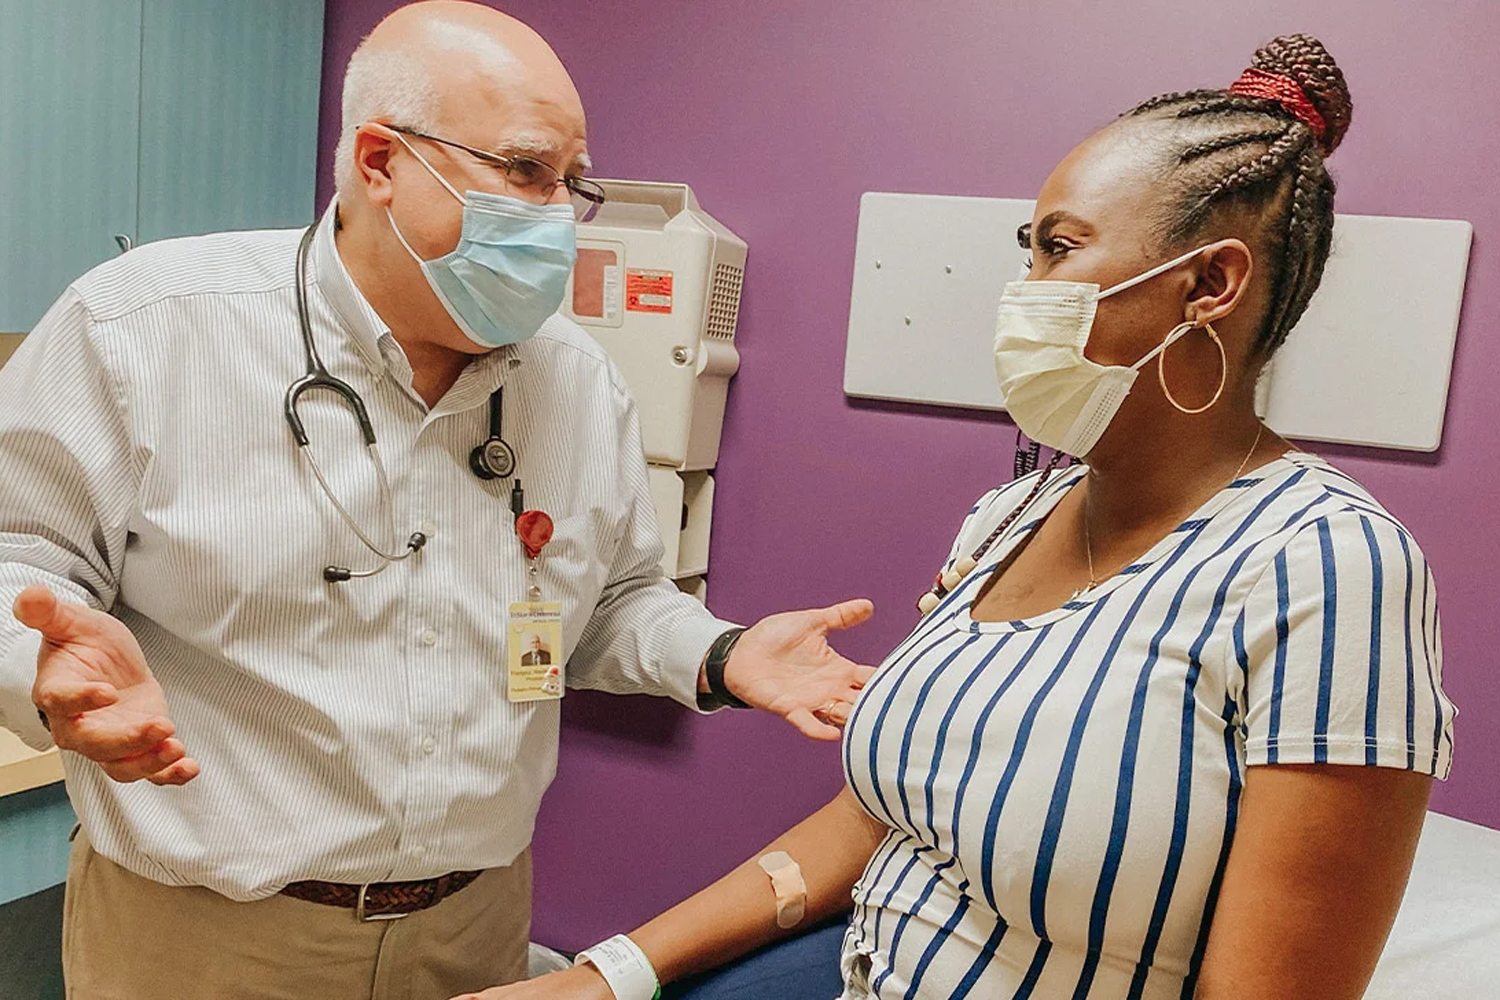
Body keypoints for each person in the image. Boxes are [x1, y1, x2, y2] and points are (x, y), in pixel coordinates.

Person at [470, 34, 1456, 1000]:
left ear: (1208, 285)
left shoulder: (1331, 570)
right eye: (1025, 252)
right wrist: (607, 975)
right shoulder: (1011, 516)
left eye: (1059, 249)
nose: (1021, 291)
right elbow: (876, 827)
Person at [0, 3, 875, 997]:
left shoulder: (576, 383)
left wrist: (723, 652)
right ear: (380, 161)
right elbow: (13, 562)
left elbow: (613, 604)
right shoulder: (144, 331)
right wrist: (39, 665)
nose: (557, 216)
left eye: (570, 183)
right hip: (208, 936)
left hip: (475, 928)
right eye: (526, 172)